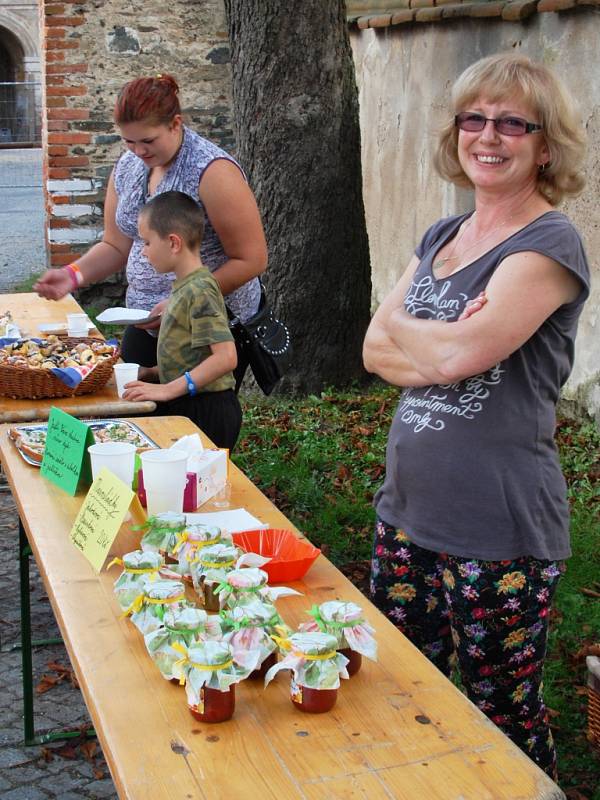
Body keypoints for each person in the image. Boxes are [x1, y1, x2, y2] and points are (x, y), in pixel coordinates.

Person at [362, 53, 589, 779]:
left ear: (544, 144)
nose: (488, 136)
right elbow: (374, 348)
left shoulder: (549, 243)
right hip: (406, 511)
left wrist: (420, 333)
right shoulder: (441, 238)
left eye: (512, 123)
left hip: (499, 528)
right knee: (400, 692)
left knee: (501, 713)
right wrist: (441, 342)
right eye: (474, 118)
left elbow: (454, 356)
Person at [34, 74, 267, 389]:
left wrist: (180, 301)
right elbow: (115, 245)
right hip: (143, 319)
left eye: (148, 141)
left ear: (175, 124)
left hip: (203, 327)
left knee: (190, 425)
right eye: (129, 141)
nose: (138, 151)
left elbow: (251, 259)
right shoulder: (129, 166)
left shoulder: (213, 172)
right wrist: (73, 275)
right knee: (137, 410)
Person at [121, 190, 241, 450]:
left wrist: (167, 389)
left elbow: (226, 357)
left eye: (147, 243)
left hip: (206, 410)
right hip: (188, 401)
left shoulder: (199, 291)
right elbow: (191, 353)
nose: (143, 253)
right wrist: (152, 374)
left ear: (174, 243)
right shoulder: (186, 287)